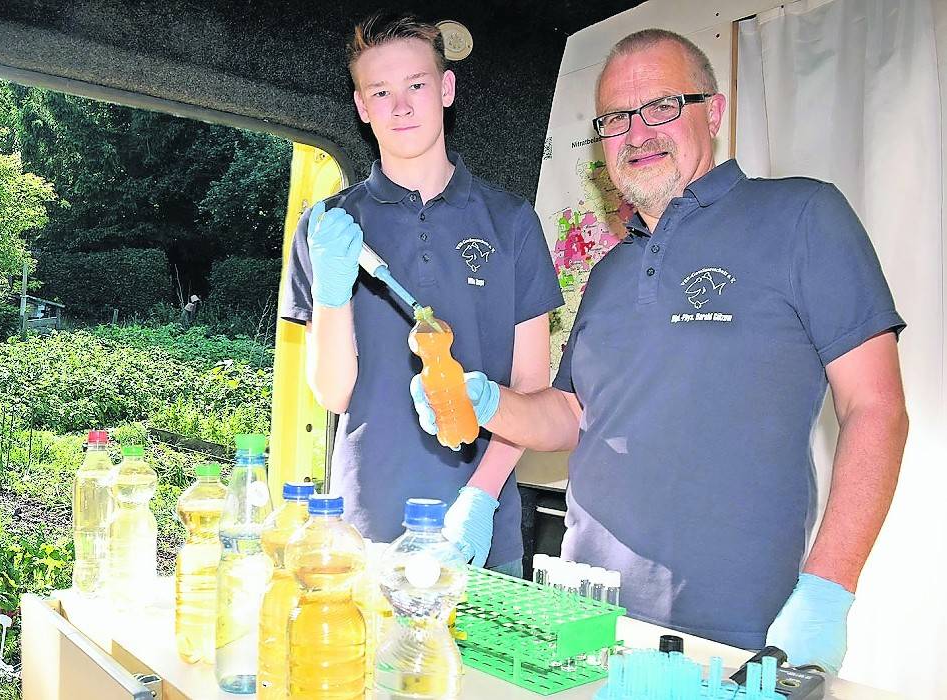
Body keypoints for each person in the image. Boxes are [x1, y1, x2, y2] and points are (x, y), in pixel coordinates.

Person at [411, 29, 908, 672]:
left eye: (663, 107)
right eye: (615, 119)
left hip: (737, 637)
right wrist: (482, 400)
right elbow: (572, 415)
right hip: (587, 625)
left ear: (715, 113)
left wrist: (828, 588)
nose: (637, 132)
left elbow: (877, 407)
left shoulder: (803, 215)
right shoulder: (611, 271)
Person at [281, 11, 563, 575]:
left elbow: (532, 391)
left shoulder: (510, 221)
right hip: (368, 529)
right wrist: (334, 297)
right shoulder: (328, 225)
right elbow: (334, 393)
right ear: (362, 108)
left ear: (447, 89)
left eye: (416, 84)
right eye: (380, 91)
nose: (401, 105)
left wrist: (480, 499)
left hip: (481, 531)